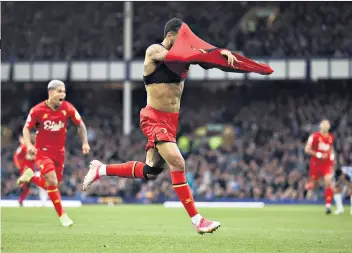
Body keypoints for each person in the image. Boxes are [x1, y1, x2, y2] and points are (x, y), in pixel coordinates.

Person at [82, 18, 239, 234]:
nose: (183, 43)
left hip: (171, 122)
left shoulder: (183, 60)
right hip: (154, 117)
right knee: (178, 162)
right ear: (170, 35)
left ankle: (101, 169)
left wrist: (220, 54)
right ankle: (197, 220)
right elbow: (175, 56)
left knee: (151, 171)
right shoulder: (154, 50)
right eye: (181, 38)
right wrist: (204, 53)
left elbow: (200, 60)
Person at [17, 80, 90, 227]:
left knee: (53, 184)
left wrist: (85, 142)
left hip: (59, 153)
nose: (63, 94)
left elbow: (80, 124)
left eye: (64, 91)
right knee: (52, 181)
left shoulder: (67, 108)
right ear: (50, 93)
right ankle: (62, 215)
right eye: (59, 91)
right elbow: (26, 129)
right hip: (42, 152)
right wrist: (29, 144)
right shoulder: (37, 110)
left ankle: (31, 177)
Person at [304, 119, 335, 214]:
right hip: (315, 164)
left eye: (328, 124)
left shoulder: (331, 137)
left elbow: (330, 149)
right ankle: (307, 190)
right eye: (324, 124)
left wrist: (332, 158)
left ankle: (328, 206)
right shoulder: (314, 136)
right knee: (314, 185)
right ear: (321, 126)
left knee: (328, 181)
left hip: (326, 164)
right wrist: (319, 155)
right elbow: (307, 149)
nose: (326, 126)